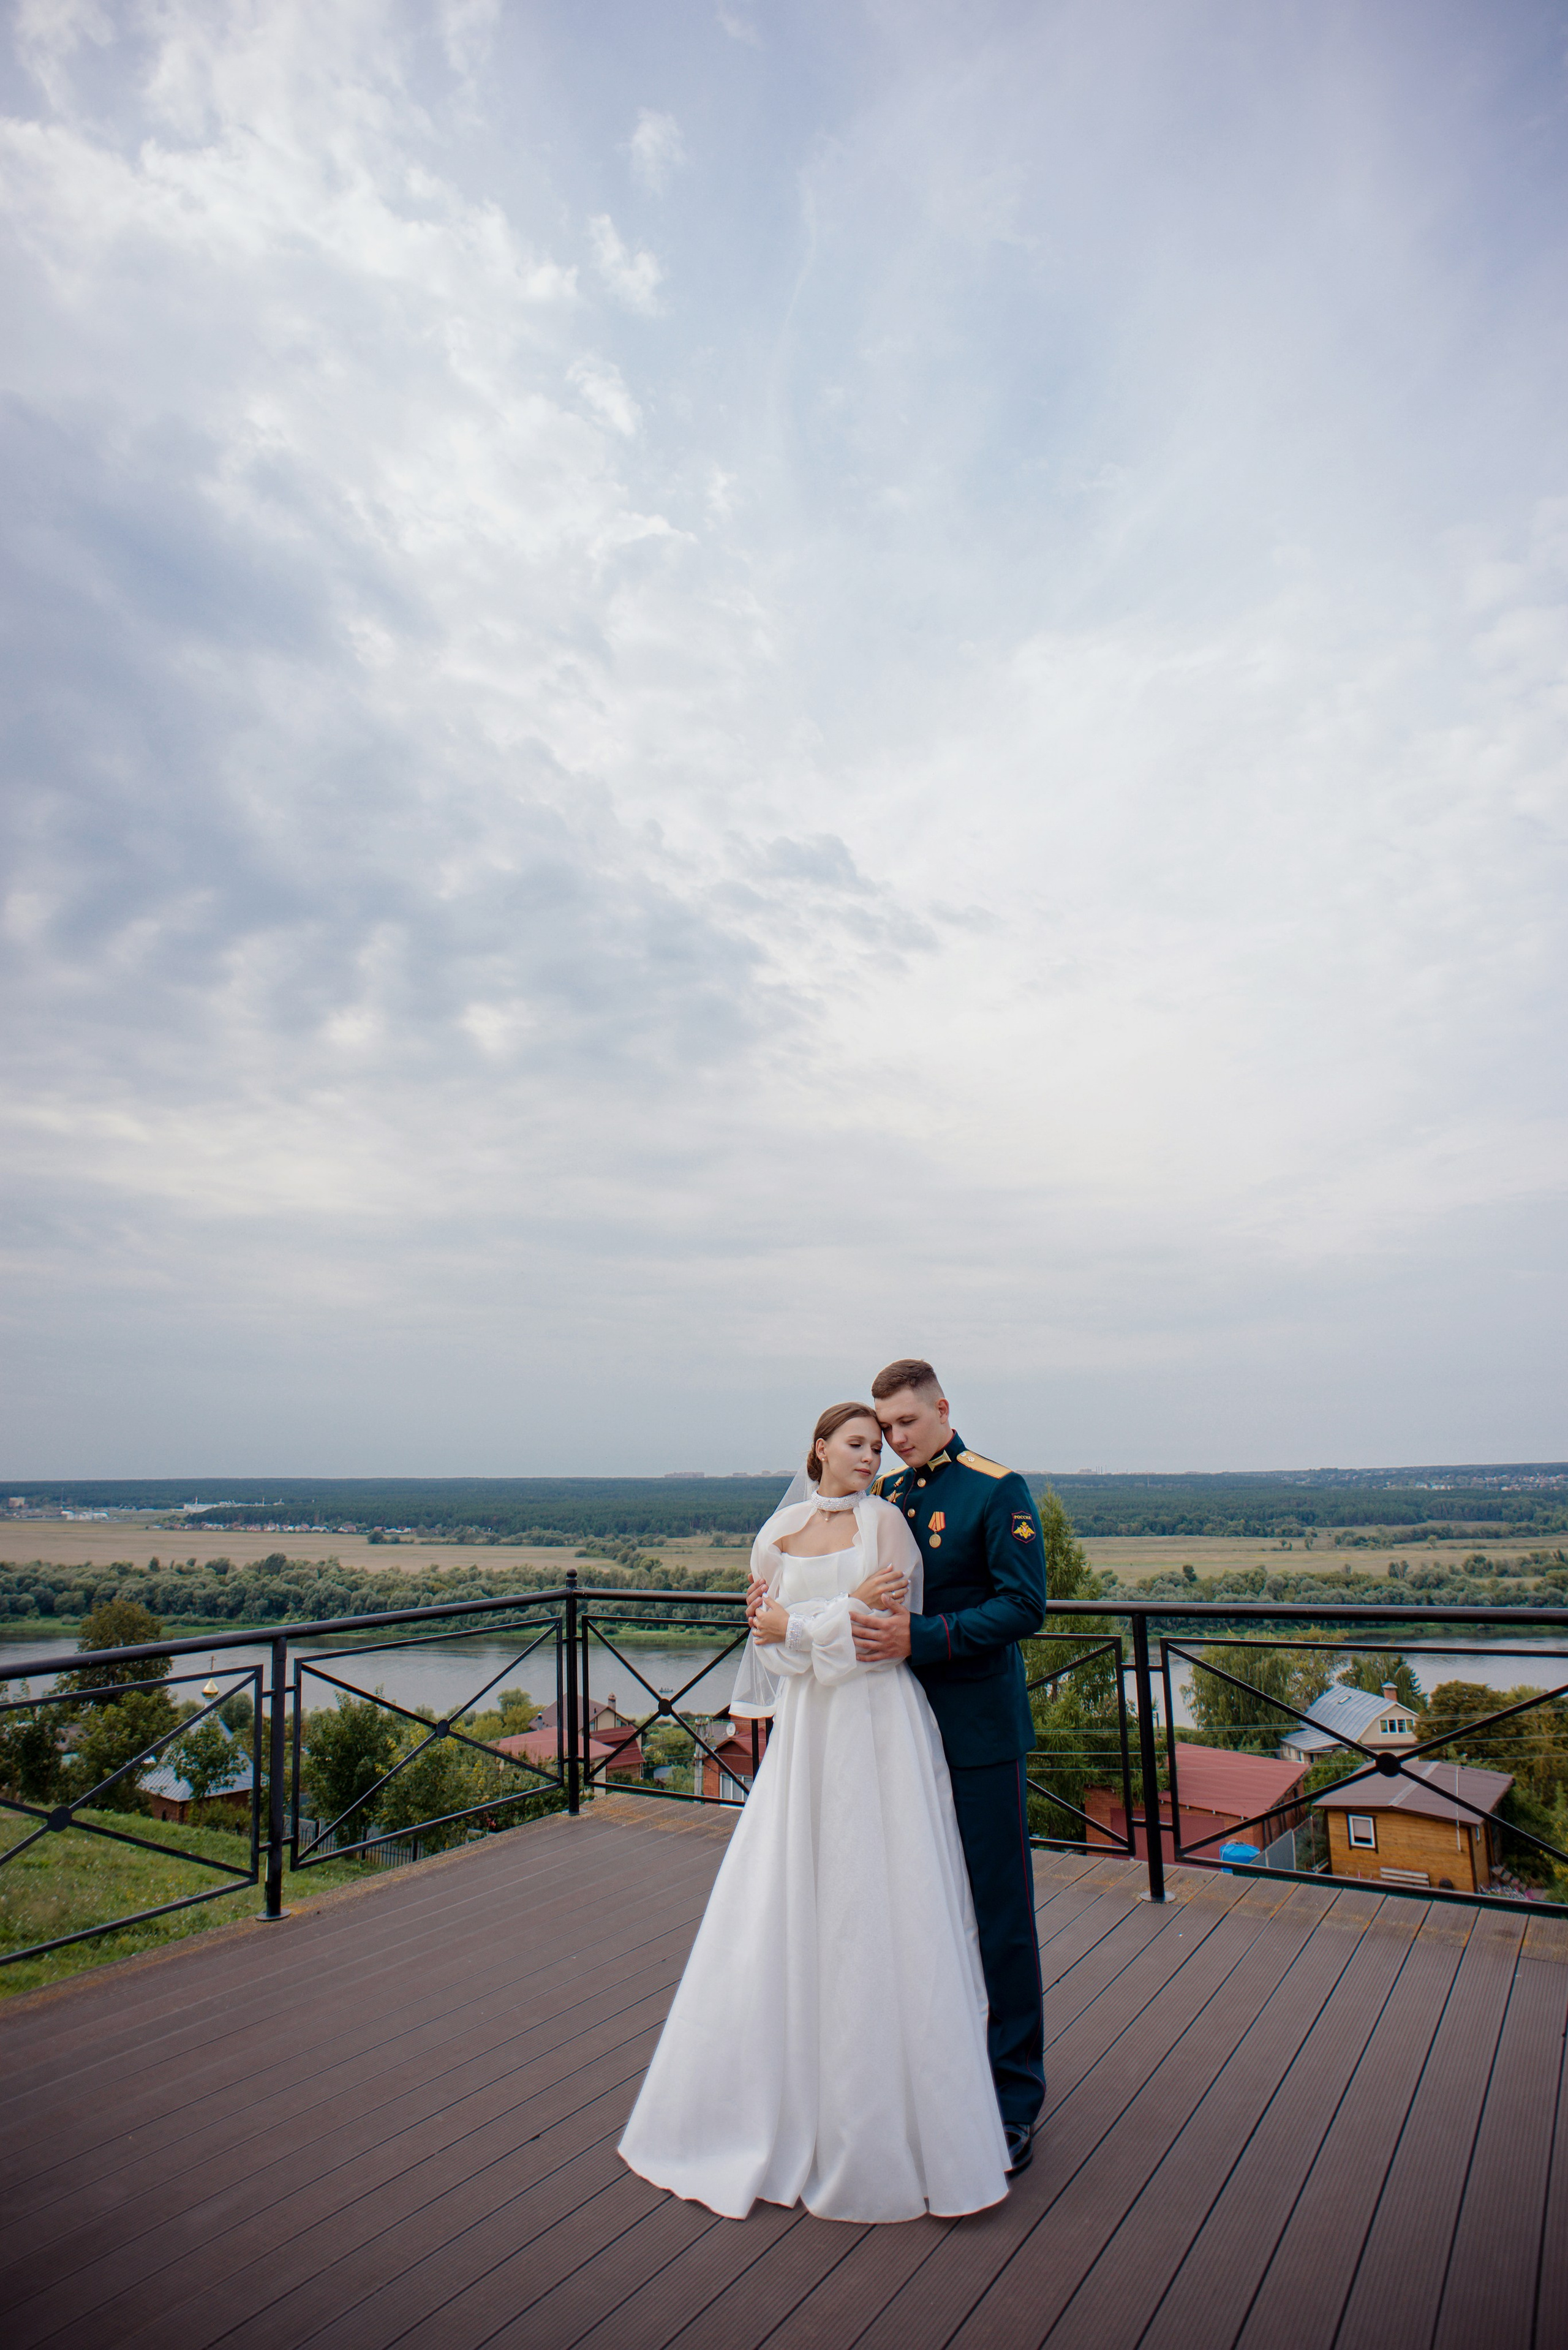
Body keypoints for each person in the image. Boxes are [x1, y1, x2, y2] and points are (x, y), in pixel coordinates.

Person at [617, 1401, 1009, 2224]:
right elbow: (771, 1651)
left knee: (882, 1902)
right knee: (789, 1903)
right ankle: (770, 2101)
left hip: (880, 1726)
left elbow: (878, 1632)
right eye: (859, 1444)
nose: (873, 1457)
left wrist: (802, 1623)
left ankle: (890, 2116)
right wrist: (796, 1628)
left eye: (880, 1445)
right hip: (807, 1738)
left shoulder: (888, 1531)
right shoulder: (777, 1537)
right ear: (820, 1449)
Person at [850, 1358, 1048, 2176]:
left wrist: (922, 1639)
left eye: (908, 1423)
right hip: (897, 1730)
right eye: (885, 1428)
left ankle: (1012, 2098)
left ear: (942, 1408)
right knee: (915, 1905)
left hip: (975, 1730)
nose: (895, 1441)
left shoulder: (996, 1488)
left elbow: (1025, 1603)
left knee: (997, 1913)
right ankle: (937, 2070)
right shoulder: (887, 1500)